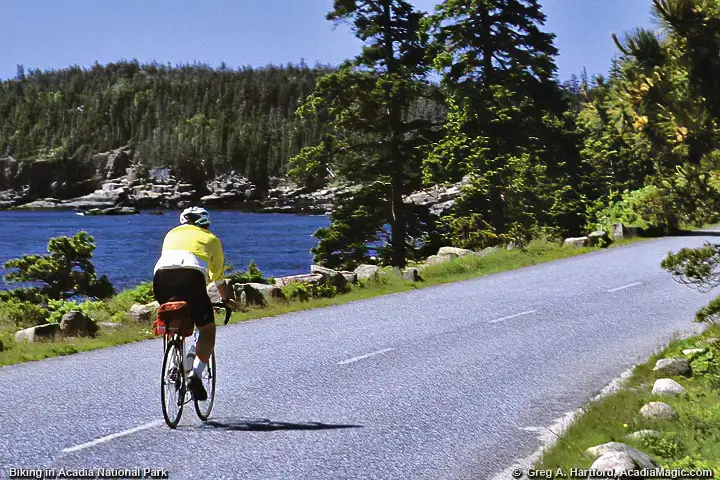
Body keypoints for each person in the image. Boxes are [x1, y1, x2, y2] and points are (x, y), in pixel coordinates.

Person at [153, 206, 226, 401]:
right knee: (207, 329)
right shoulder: (211, 239)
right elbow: (218, 278)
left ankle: (173, 365)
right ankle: (195, 373)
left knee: (172, 312)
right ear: (206, 223)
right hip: (191, 275)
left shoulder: (171, 234)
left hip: (160, 276)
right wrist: (227, 300)